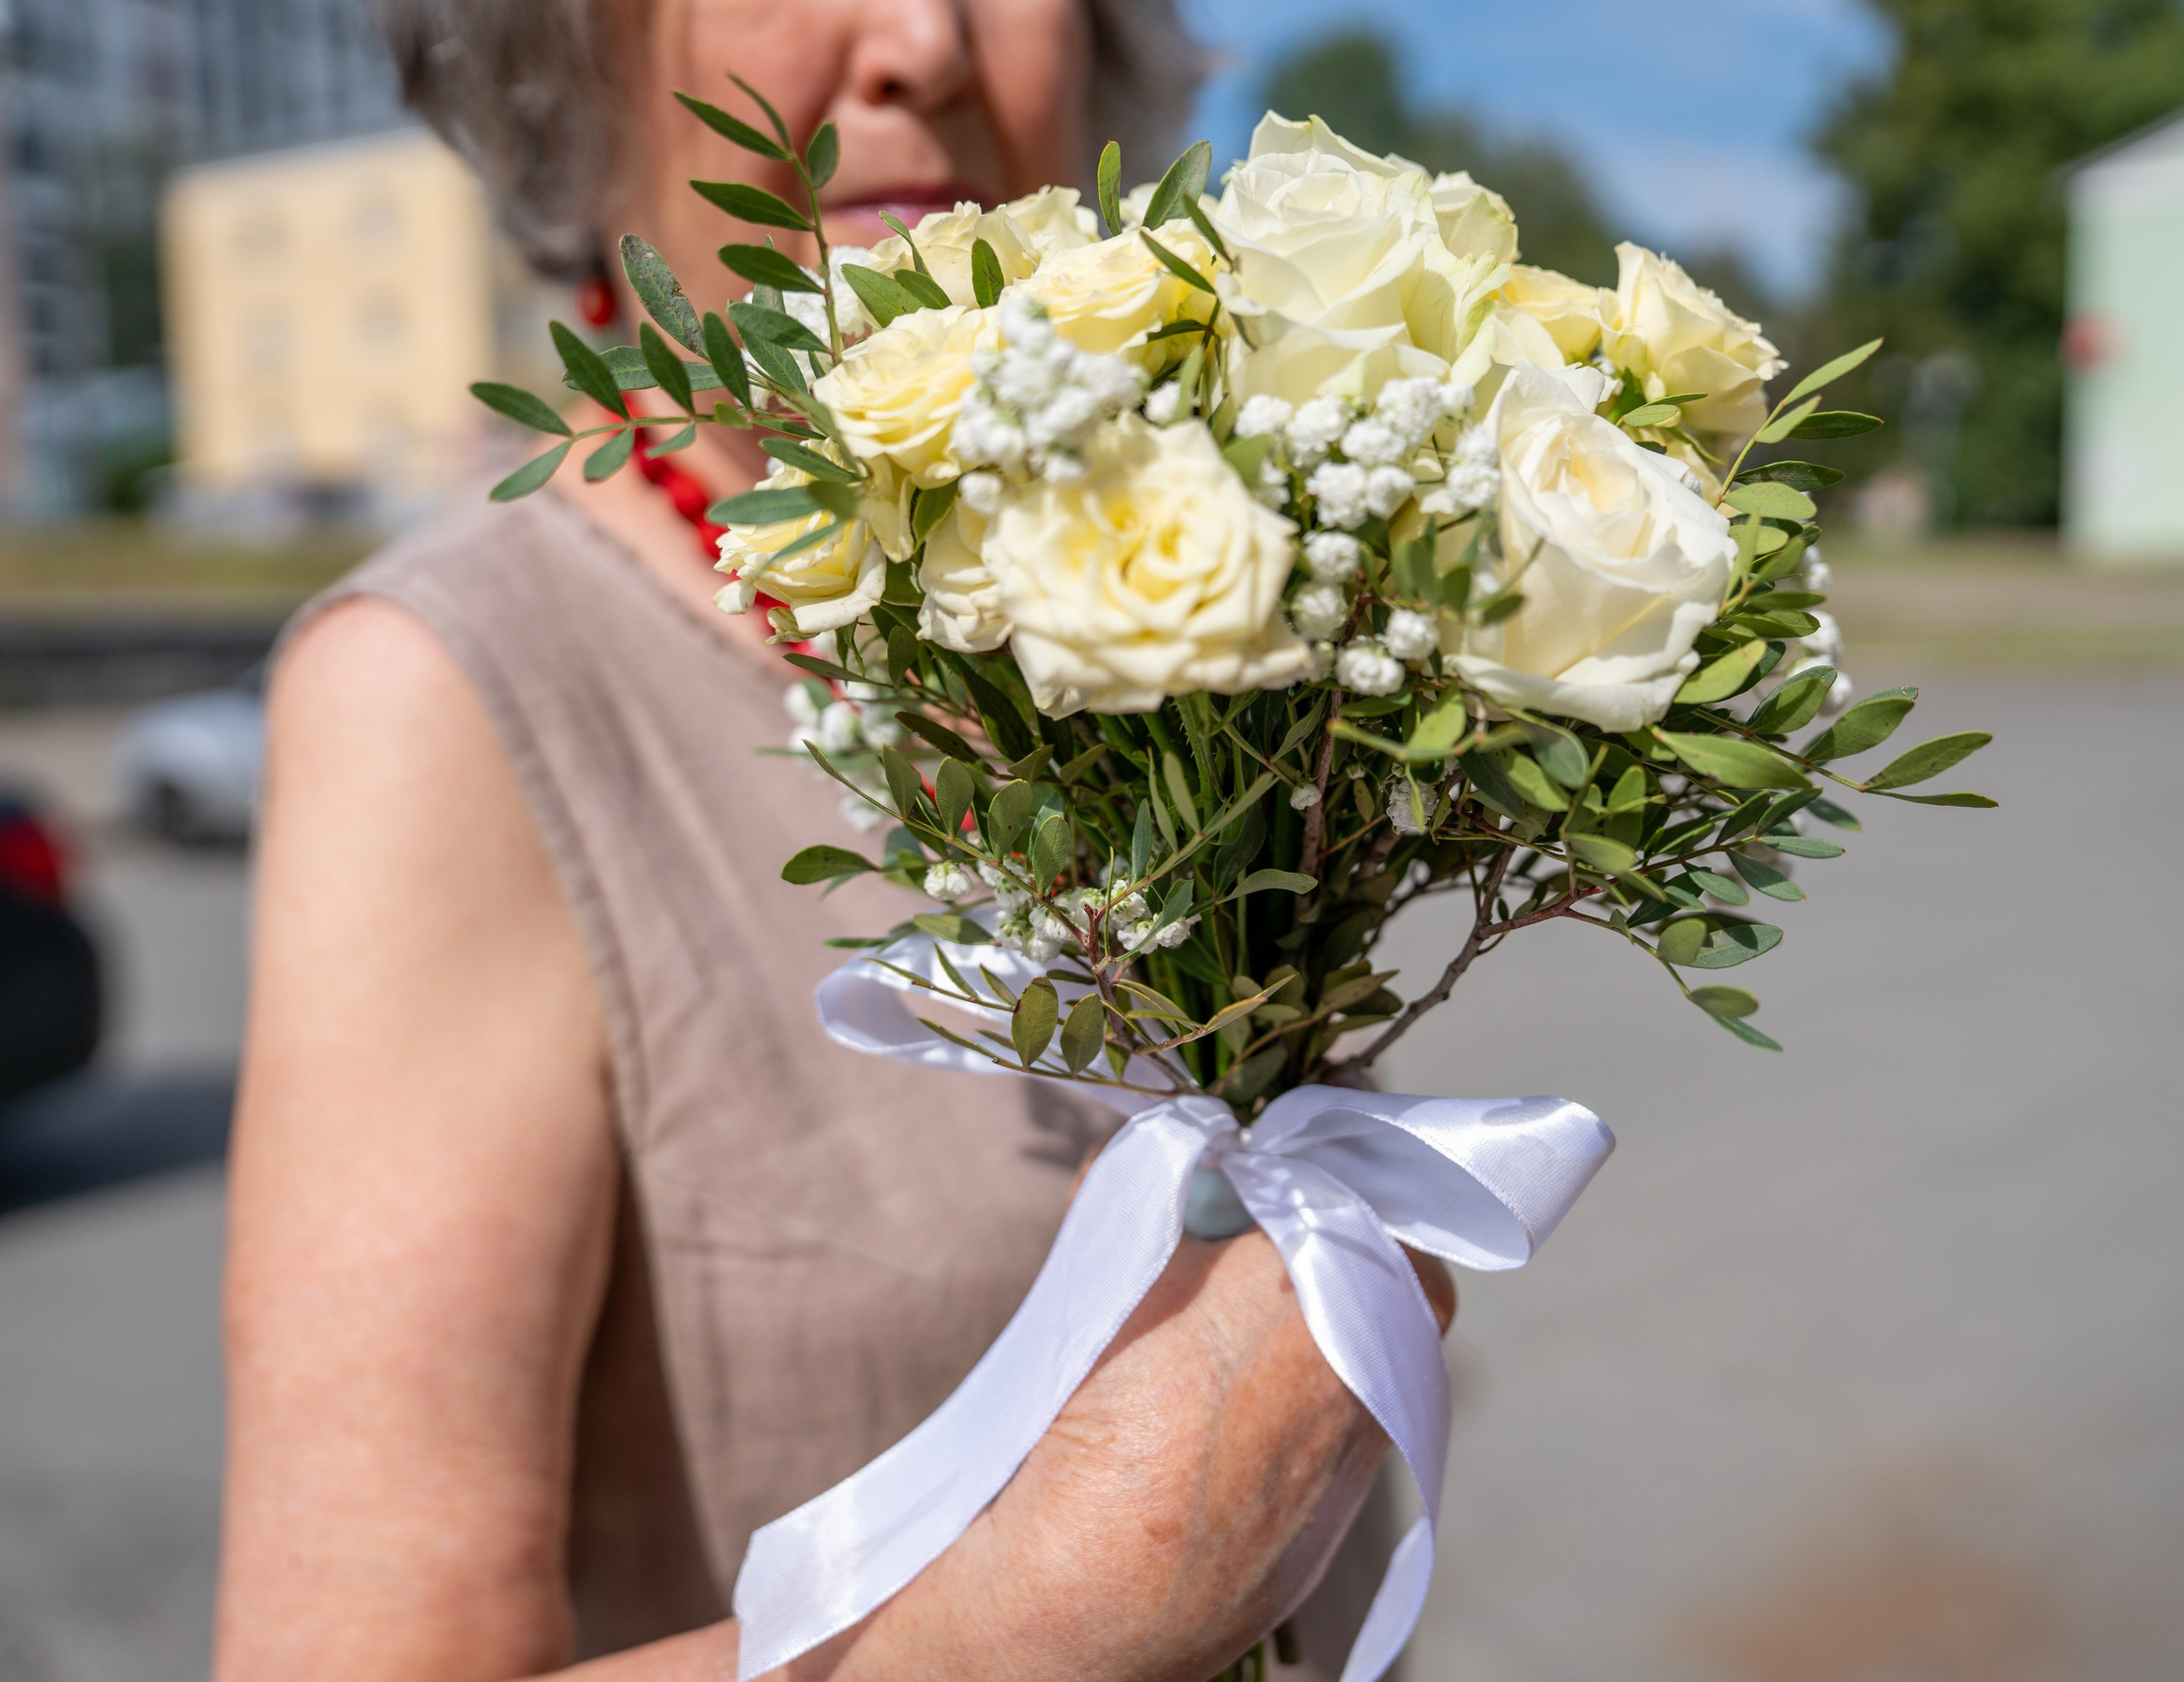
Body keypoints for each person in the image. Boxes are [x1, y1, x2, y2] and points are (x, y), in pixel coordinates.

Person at [213, 4, 1449, 1679]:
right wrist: (1048, 1621)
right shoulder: (440, 695)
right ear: (572, 42)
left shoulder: (1200, 604)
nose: (926, 43)